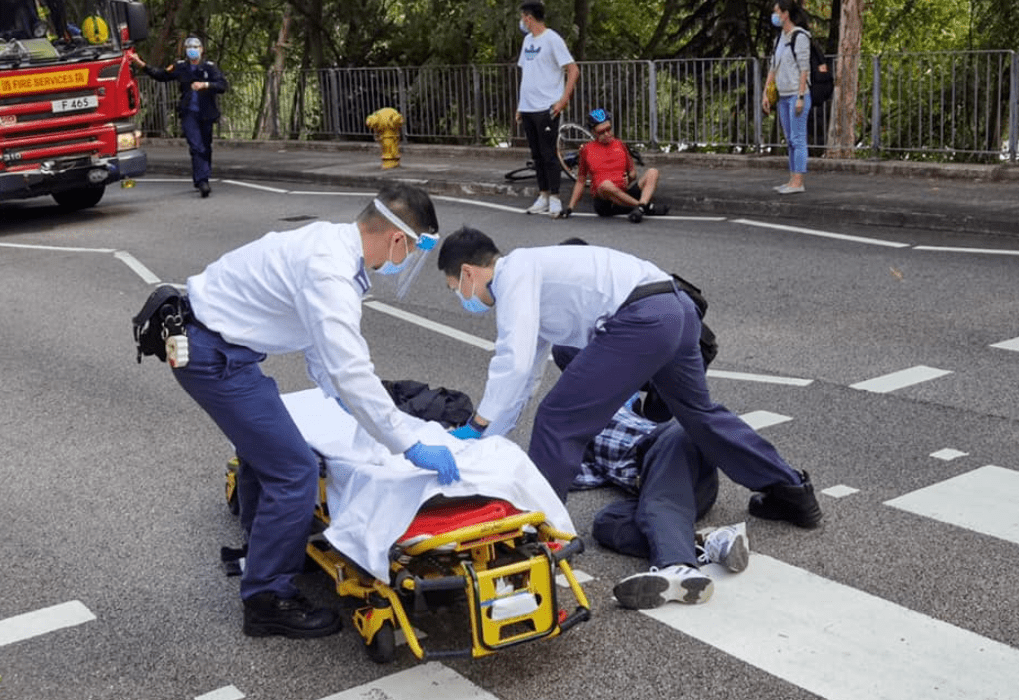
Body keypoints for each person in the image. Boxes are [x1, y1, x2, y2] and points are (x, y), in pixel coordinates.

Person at [169, 183, 461, 638]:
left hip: (220, 347)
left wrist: (341, 395)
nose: (404, 262)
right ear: (399, 239)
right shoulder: (328, 271)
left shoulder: (328, 244)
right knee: (295, 471)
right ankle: (267, 597)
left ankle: (263, 546)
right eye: (412, 251)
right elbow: (349, 367)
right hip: (216, 357)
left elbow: (321, 352)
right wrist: (409, 443)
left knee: (263, 447)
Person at [437, 228, 822, 528]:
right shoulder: (535, 276)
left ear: (469, 272)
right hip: (677, 308)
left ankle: (540, 532)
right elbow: (526, 376)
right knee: (698, 414)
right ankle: (790, 490)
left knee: (558, 420)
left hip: (643, 319)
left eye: (457, 288)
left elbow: (512, 361)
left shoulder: (514, 273)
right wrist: (486, 437)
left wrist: (476, 424)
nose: (463, 297)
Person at [552, 347, 747, 609]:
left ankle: (677, 568)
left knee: (659, 497)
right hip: (673, 492)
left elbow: (568, 350)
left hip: (674, 444)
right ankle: (709, 543)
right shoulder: (573, 442)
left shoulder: (616, 394)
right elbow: (558, 476)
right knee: (607, 523)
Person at [131, 36, 228, 198]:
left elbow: (223, 85)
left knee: (206, 146)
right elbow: (161, 75)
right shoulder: (180, 67)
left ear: (201, 50)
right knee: (196, 146)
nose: (192, 50)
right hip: (189, 113)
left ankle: (203, 176)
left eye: (196, 47)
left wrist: (206, 85)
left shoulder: (210, 68)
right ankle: (203, 181)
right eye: (189, 47)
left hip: (206, 113)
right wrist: (142, 65)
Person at [516, 1, 579, 219]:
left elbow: (573, 70)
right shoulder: (527, 41)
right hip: (528, 107)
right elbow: (527, 74)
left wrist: (563, 100)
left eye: (523, 16)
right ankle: (542, 195)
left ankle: (554, 197)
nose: (522, 21)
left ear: (529, 17)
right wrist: (519, 106)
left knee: (549, 153)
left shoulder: (552, 39)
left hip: (547, 106)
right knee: (536, 155)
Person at [563, 108, 670, 224]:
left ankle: (640, 207)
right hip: (606, 202)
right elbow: (581, 180)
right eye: (601, 132)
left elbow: (632, 173)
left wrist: (629, 178)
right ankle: (644, 207)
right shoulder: (586, 150)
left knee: (653, 172)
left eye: (609, 129)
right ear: (593, 132)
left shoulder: (620, 144)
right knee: (605, 185)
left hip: (624, 194)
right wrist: (570, 208)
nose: (607, 134)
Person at [762, 0, 811, 195]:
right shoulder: (780, 38)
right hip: (782, 95)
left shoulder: (800, 36)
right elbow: (773, 68)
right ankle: (792, 179)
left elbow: (804, 69)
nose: (774, 16)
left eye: (776, 12)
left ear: (785, 14)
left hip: (797, 94)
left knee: (798, 138)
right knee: (790, 139)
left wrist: (800, 96)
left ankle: (798, 181)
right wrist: (766, 92)